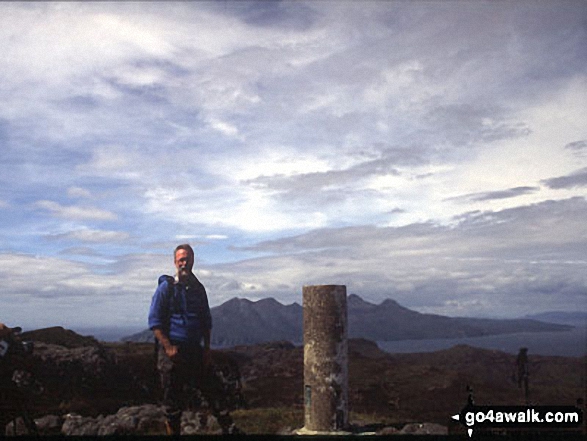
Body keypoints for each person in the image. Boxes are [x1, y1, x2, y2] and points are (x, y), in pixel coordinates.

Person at [148, 244, 213, 435]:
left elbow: (206, 322)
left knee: (208, 392)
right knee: (173, 401)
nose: (184, 263)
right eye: (181, 259)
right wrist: (168, 347)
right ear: (175, 262)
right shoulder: (166, 288)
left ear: (193, 260)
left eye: (188, 259)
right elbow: (155, 321)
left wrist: (207, 350)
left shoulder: (198, 289)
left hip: (194, 349)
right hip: (172, 353)